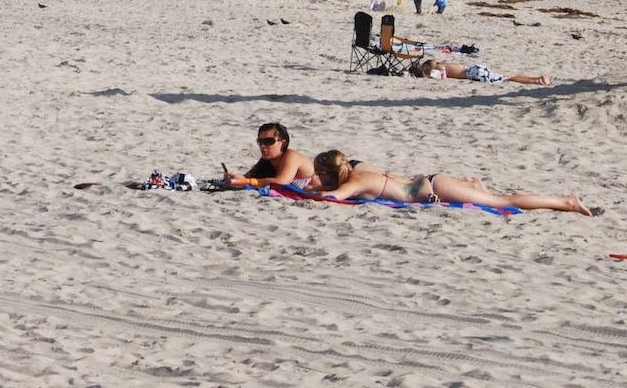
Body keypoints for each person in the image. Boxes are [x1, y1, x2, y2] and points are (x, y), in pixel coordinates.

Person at [312, 150, 590, 215]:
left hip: (435, 188)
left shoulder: (352, 184)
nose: (317, 178)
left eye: (319, 173)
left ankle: (565, 202)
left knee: (504, 201)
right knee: (493, 196)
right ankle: (472, 184)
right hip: (431, 182)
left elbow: (331, 199)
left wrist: (311, 191)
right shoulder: (359, 169)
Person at [222, 122, 315, 188]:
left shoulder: (292, 156)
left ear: (282, 144)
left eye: (268, 141)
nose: (262, 146)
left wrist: (247, 181)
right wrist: (234, 178)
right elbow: (248, 177)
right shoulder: (267, 161)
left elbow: (281, 182)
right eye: (260, 141)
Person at [408, 58, 551, 86]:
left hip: (473, 74)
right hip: (474, 68)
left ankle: (538, 80)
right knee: (507, 76)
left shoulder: (439, 68)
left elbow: (444, 77)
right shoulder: (443, 63)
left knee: (509, 79)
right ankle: (536, 78)